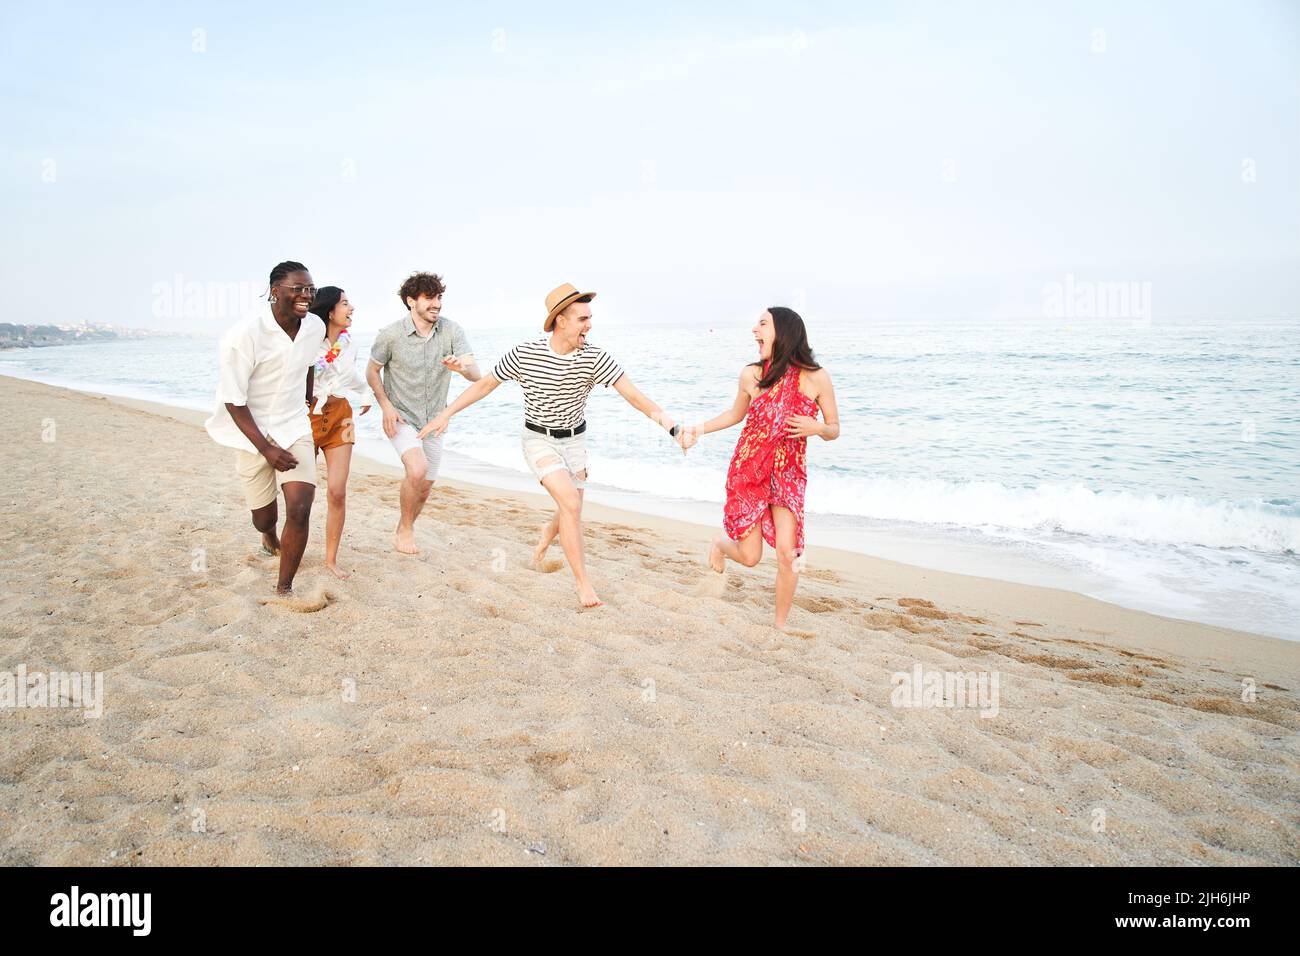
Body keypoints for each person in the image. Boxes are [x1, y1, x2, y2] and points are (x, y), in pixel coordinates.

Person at [421, 283, 686, 607]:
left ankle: (545, 538)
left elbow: (633, 395)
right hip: (538, 440)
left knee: (570, 507)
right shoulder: (525, 354)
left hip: (575, 443)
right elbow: (486, 385)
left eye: (590, 318)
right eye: (582, 319)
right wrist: (445, 414)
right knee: (572, 506)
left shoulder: (595, 358)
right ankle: (583, 586)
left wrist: (672, 427)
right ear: (561, 320)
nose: (589, 325)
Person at [683, 307, 840, 630]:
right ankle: (720, 545)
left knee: (789, 553)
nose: (754, 330)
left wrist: (817, 428)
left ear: (784, 331)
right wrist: (696, 429)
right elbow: (734, 415)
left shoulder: (817, 377)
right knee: (751, 557)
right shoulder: (752, 375)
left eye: (762, 324)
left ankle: (780, 624)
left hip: (788, 473)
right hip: (749, 470)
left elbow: (834, 427)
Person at [205, 261, 326, 594]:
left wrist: (307, 398)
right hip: (250, 432)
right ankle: (268, 535)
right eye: (298, 289)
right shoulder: (243, 335)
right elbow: (233, 401)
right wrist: (267, 449)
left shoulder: (314, 327)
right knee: (264, 517)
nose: (307, 295)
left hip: (293, 425)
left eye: (311, 290)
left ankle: (283, 588)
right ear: (275, 292)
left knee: (300, 508)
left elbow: (311, 361)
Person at [366, 272, 480, 555]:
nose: (436, 304)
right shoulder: (391, 335)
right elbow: (372, 370)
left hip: (435, 420)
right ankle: (406, 529)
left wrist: (461, 369)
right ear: (411, 301)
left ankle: (404, 526)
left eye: (439, 297)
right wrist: (386, 406)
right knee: (417, 469)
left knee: (426, 487)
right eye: (429, 298)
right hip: (402, 416)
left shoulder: (452, 331)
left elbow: (476, 376)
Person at [307, 286, 373, 579]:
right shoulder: (307, 341)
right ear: (329, 310)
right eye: (345, 303)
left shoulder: (350, 345)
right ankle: (272, 537)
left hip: (341, 418)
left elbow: (351, 376)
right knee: (301, 493)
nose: (352, 308)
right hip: (305, 417)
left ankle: (331, 559)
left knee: (336, 491)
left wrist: (366, 394)